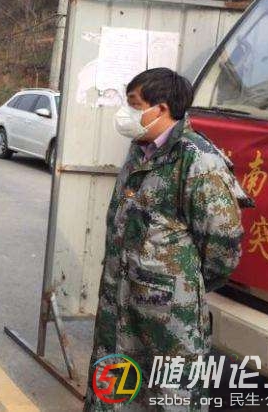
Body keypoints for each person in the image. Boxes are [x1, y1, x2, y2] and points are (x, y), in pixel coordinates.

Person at [84, 68, 252, 410]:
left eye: (134, 104)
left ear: (161, 109)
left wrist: (182, 285)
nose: (126, 112)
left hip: (169, 319)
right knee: (115, 391)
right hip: (121, 302)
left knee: (170, 396)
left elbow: (222, 246)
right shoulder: (140, 150)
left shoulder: (198, 160)